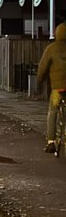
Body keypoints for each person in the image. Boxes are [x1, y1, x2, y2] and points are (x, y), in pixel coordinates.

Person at [36, 22, 66, 153]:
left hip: (57, 89)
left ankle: (51, 141)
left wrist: (39, 81)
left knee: (53, 111)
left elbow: (43, 67)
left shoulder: (52, 48)